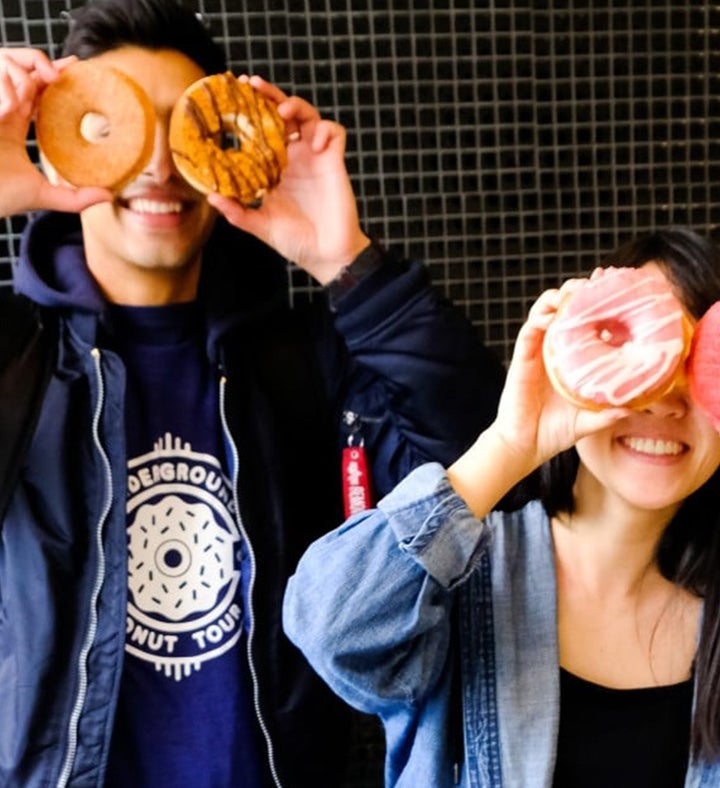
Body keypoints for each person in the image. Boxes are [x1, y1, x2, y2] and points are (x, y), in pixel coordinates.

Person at [0, 1, 506, 786]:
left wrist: (348, 261)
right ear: (61, 148)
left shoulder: (303, 364)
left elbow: (479, 466)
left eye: (188, 130)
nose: (160, 163)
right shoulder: (16, 358)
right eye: (112, 127)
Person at [284, 228, 720, 787]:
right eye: (639, 356)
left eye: (694, 363)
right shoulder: (465, 577)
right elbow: (328, 626)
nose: (664, 401)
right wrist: (511, 444)